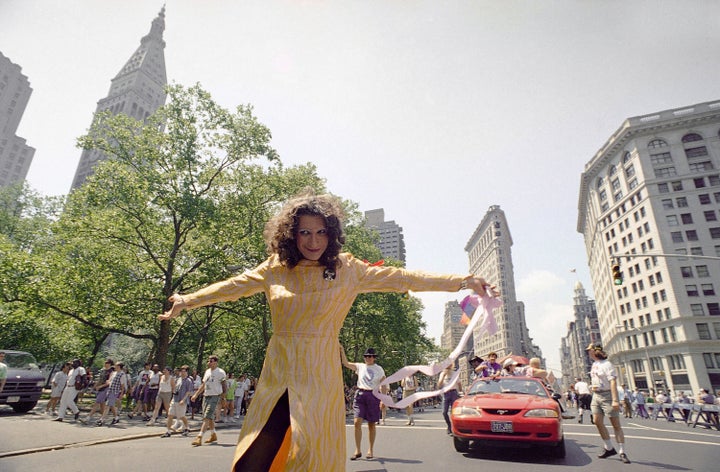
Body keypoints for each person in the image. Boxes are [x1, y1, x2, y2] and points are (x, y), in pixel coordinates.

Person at [158, 189, 496, 471]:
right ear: (291, 234)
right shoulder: (276, 268)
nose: (313, 240)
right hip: (278, 373)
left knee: (311, 452)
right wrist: (187, 300)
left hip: (319, 375)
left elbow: (402, 278)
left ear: (331, 234)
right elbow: (232, 286)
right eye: (304, 232)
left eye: (321, 232)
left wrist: (462, 282)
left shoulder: (348, 269)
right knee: (255, 453)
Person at [587, 343, 630, 464]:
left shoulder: (607, 364)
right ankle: (609, 447)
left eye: (589, 350)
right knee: (597, 421)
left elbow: (612, 382)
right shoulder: (594, 364)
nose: (588, 353)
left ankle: (622, 451)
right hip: (596, 395)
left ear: (596, 351)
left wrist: (615, 400)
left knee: (615, 424)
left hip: (608, 396)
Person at [341, 347, 385, 460]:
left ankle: (370, 449)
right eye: (366, 356)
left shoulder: (379, 369)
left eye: (370, 356)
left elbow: (383, 384)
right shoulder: (360, 366)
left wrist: (383, 399)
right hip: (360, 394)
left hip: (373, 395)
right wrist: (342, 350)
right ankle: (358, 450)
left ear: (374, 358)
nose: (367, 358)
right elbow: (345, 363)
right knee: (357, 422)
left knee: (371, 424)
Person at [190, 355, 226, 446]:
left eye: (211, 361)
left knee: (207, 416)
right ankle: (213, 434)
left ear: (215, 362)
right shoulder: (207, 372)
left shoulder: (220, 372)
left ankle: (199, 437)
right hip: (206, 396)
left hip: (215, 396)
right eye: (208, 361)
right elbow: (203, 385)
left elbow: (224, 386)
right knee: (209, 417)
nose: (209, 363)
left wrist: (223, 398)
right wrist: (196, 394)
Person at [162, 364, 194, 437]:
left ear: (187, 372)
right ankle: (168, 431)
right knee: (170, 415)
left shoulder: (188, 381)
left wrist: (183, 400)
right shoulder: (178, 379)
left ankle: (187, 427)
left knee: (182, 416)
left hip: (182, 401)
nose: (182, 373)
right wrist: (172, 398)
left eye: (184, 371)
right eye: (181, 371)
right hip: (175, 399)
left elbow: (188, 392)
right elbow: (175, 389)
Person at [84, 359, 115, 425]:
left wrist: (100, 386)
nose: (105, 364)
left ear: (110, 364)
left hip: (105, 389)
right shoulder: (103, 371)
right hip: (100, 388)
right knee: (102, 404)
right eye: (105, 363)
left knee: (97, 402)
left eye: (107, 363)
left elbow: (109, 382)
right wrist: (93, 388)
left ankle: (88, 417)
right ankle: (102, 419)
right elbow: (99, 380)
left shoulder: (111, 372)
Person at [98, 361, 127, 426]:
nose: (115, 367)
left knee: (107, 405)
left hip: (115, 391)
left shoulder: (122, 374)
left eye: (116, 366)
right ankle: (116, 417)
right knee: (111, 405)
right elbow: (109, 381)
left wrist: (121, 394)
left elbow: (122, 386)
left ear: (119, 367)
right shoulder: (114, 373)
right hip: (110, 390)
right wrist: (107, 382)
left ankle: (102, 419)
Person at [438, 364, 462, 435]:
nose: (447, 367)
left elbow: (459, 384)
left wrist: (461, 392)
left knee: (453, 412)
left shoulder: (454, 373)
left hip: (453, 393)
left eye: (449, 366)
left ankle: (453, 428)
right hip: (446, 393)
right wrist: (443, 376)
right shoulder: (442, 374)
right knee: (444, 412)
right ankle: (449, 425)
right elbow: (439, 385)